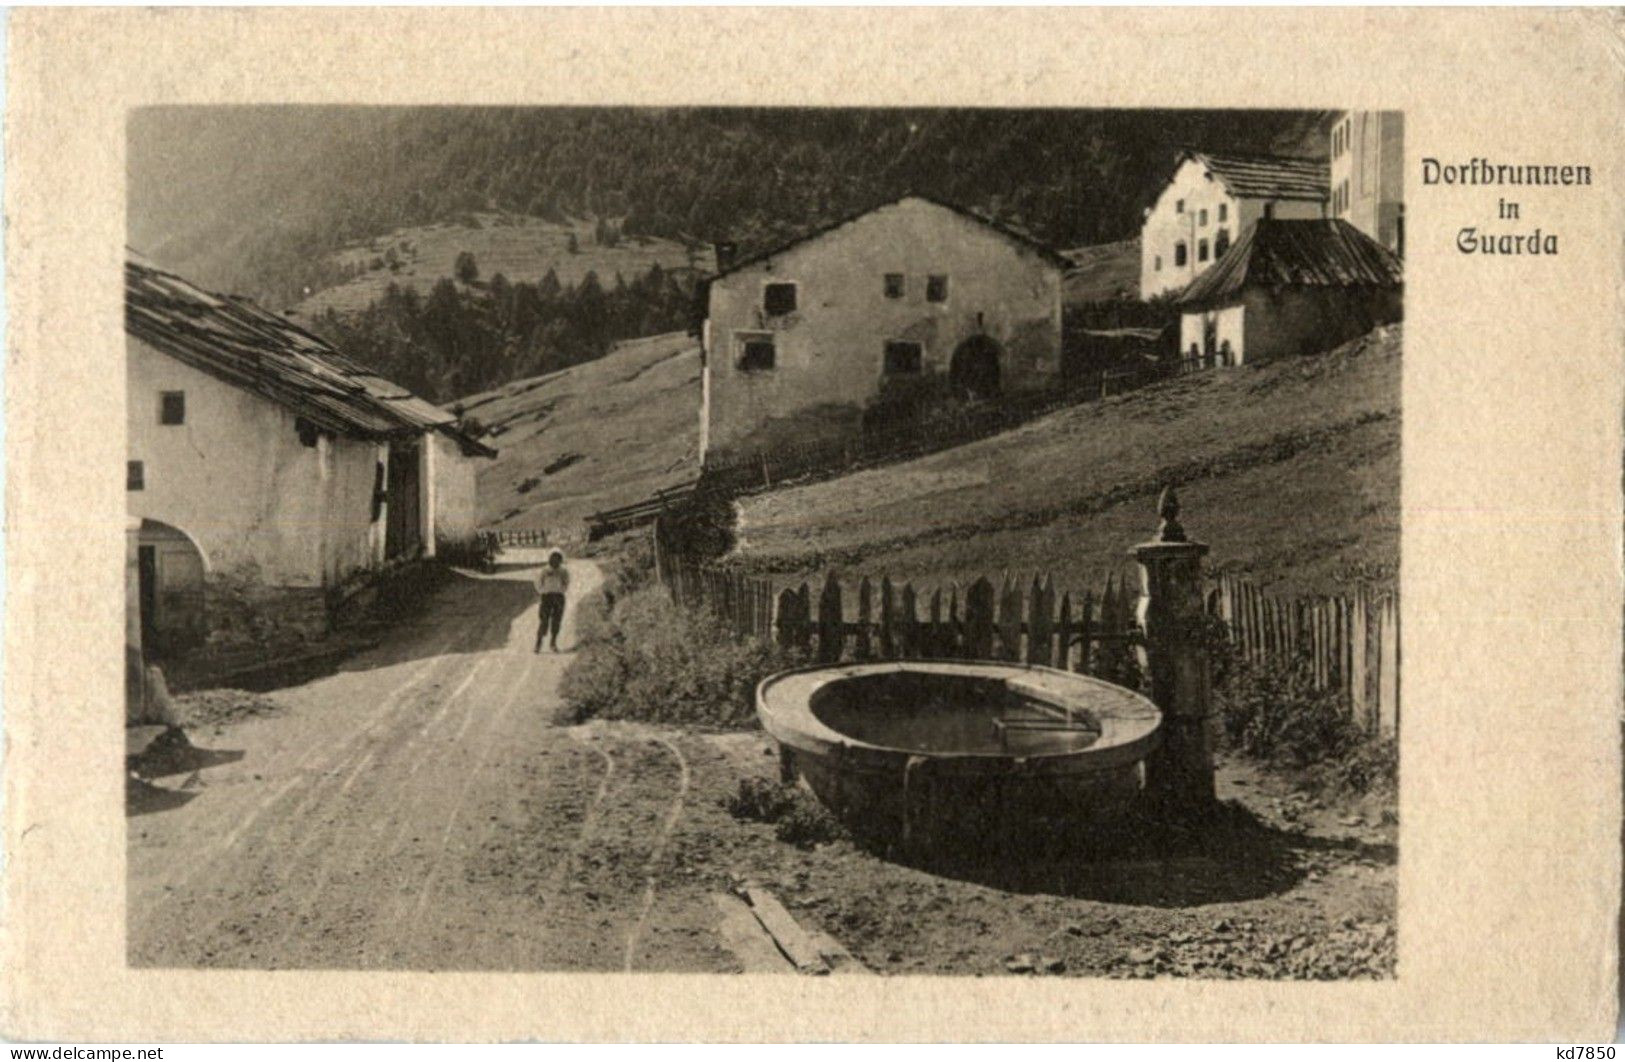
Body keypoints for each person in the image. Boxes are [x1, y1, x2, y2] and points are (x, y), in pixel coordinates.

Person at [534, 550, 570, 652]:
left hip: (558, 597)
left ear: (560, 560)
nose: (555, 561)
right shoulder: (544, 570)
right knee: (544, 620)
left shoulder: (563, 571)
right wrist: (543, 591)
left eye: (557, 559)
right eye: (553, 558)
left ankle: (553, 643)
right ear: (549, 559)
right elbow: (538, 582)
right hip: (546, 597)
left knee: (556, 620)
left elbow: (566, 582)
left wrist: (561, 590)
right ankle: (538, 643)